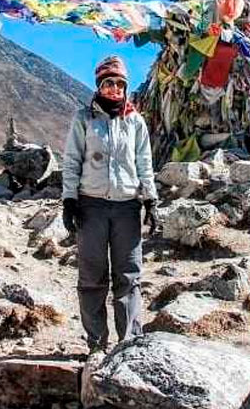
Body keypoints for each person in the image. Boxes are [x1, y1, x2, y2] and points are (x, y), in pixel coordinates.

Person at [61, 55, 158, 352]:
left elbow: (144, 162)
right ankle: (96, 344)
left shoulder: (135, 122)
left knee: (128, 275)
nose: (114, 89)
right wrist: (69, 199)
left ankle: (128, 343)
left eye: (119, 84)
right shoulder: (84, 119)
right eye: (108, 83)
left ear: (125, 87)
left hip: (127, 206)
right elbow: (72, 160)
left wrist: (151, 200)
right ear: (99, 86)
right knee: (92, 276)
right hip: (91, 207)